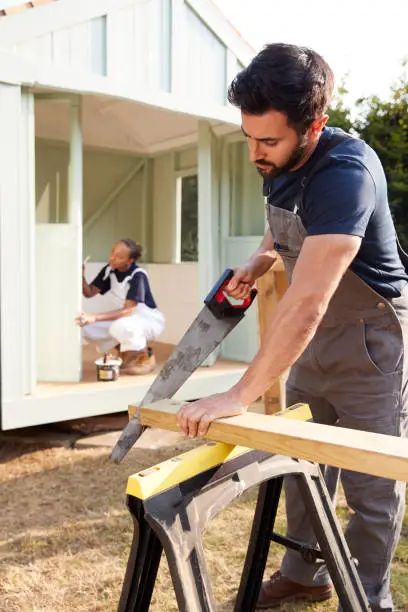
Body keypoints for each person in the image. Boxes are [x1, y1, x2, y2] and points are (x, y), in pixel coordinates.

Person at [175, 43, 408, 611]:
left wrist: (239, 393)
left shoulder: (346, 174)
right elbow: (287, 233)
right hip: (316, 336)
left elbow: (307, 302)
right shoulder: (276, 159)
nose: (255, 152)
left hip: (371, 336)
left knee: (371, 483)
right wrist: (262, 259)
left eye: (269, 141)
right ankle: (305, 574)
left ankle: (369, 595)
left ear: (315, 126)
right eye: (248, 137)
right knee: (302, 460)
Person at [76, 239, 164, 375]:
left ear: (130, 260)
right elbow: (89, 292)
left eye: (119, 256)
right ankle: (125, 353)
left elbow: (129, 310)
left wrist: (94, 317)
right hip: (127, 318)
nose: (112, 258)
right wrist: (80, 276)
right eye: (112, 253)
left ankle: (145, 357)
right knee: (85, 327)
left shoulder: (138, 275)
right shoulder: (109, 270)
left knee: (120, 327)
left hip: (147, 319)